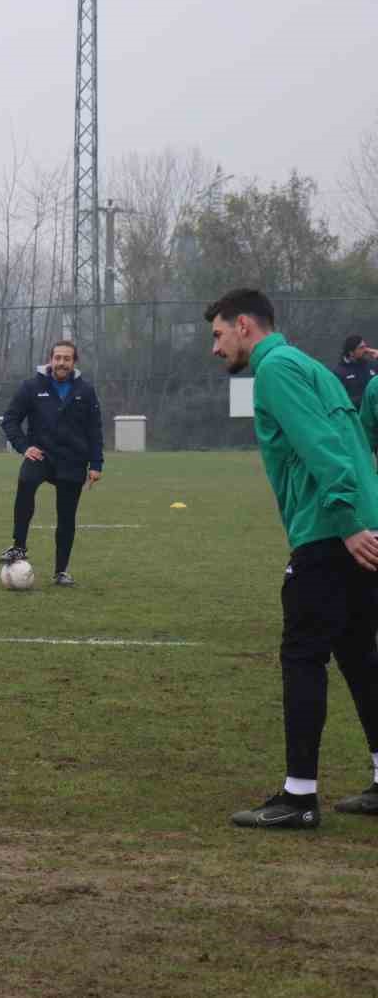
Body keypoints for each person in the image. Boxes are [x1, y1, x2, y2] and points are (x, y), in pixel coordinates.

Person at [207, 288, 378, 828]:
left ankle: (299, 797)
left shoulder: (276, 369)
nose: (215, 349)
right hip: (357, 526)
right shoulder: (310, 366)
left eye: (217, 335)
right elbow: (350, 440)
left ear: (243, 325)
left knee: (303, 654)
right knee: (358, 655)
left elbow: (321, 445)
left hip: (332, 531)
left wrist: (346, 523)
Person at [0, 340, 105, 586]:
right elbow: (10, 420)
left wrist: (96, 464)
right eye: (57, 358)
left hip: (73, 461)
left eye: (67, 359)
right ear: (50, 360)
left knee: (67, 517)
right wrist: (25, 447)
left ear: (74, 362)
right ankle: (19, 546)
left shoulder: (85, 392)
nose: (61, 363)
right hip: (42, 456)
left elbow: (94, 430)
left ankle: (61, 572)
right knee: (26, 480)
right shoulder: (32, 387)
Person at [334, 335, 378, 408]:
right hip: (356, 415)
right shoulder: (339, 372)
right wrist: (366, 400)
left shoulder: (372, 365)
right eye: (361, 348)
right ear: (351, 353)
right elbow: (339, 399)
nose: (366, 350)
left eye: (365, 347)